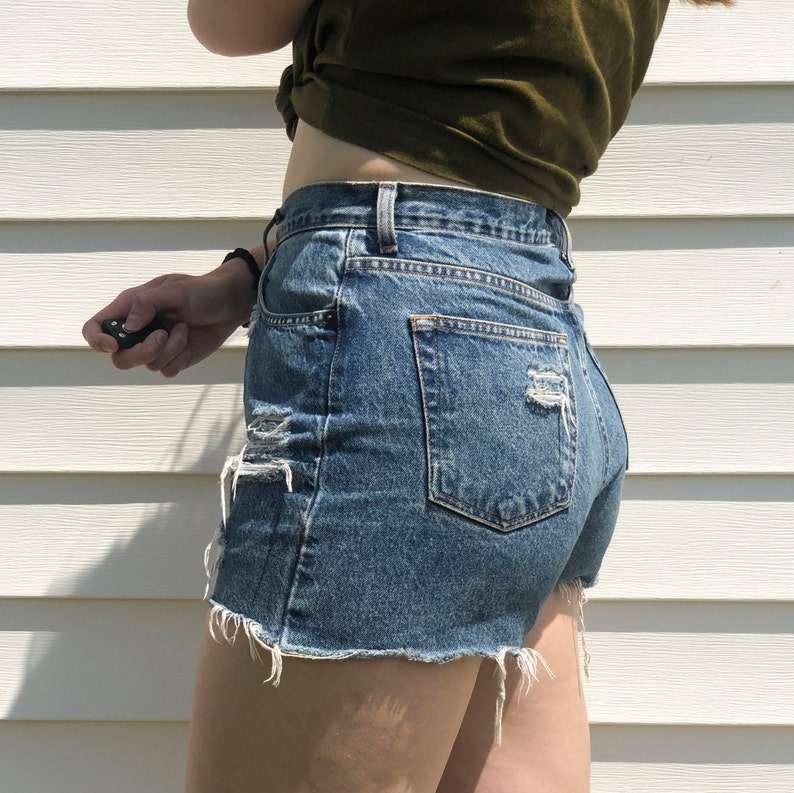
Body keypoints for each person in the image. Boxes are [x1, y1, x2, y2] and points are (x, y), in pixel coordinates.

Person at [82, 1, 734, 790]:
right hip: (540, 351)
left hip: (405, 360)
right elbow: (468, 172)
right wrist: (250, 276)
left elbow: (227, 21)